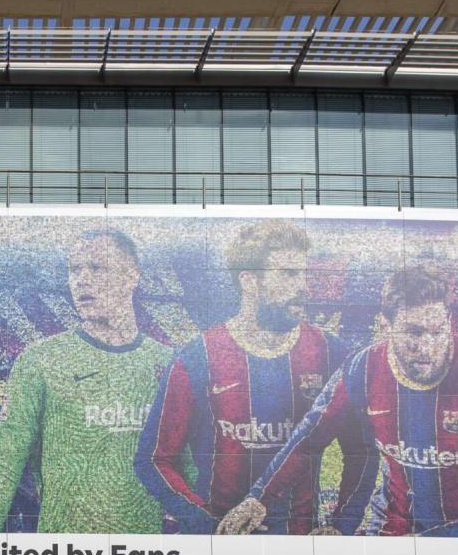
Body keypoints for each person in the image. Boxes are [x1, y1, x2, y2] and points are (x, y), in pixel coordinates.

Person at [219, 266, 458, 537]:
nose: (427, 347)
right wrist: (259, 497)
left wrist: (434, 545)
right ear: (386, 326)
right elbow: (309, 438)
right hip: (399, 529)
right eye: (413, 333)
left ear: (449, 323)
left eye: (438, 332)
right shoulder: (363, 368)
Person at [135, 221, 372, 534]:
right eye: (288, 274)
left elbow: (363, 451)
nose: (302, 286)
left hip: (299, 547)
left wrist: (342, 524)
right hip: (217, 545)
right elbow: (153, 459)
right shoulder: (197, 356)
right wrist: (203, 524)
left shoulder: (333, 354)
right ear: (249, 280)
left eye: (303, 274)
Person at [0, 228, 173, 534]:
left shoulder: (168, 363)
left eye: (97, 268)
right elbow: (2, 467)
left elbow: (188, 468)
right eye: (74, 270)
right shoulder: (40, 360)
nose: (82, 280)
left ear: (132, 277)